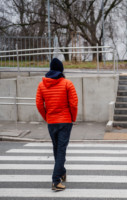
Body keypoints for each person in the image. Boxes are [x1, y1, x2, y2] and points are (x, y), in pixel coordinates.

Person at [36, 58, 78, 191]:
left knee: (57, 148)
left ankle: (62, 171)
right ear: (61, 69)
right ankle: (56, 181)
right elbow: (74, 103)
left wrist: (47, 117)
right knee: (61, 149)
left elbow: (39, 104)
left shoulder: (42, 85)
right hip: (65, 121)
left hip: (52, 122)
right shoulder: (67, 83)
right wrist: (73, 118)